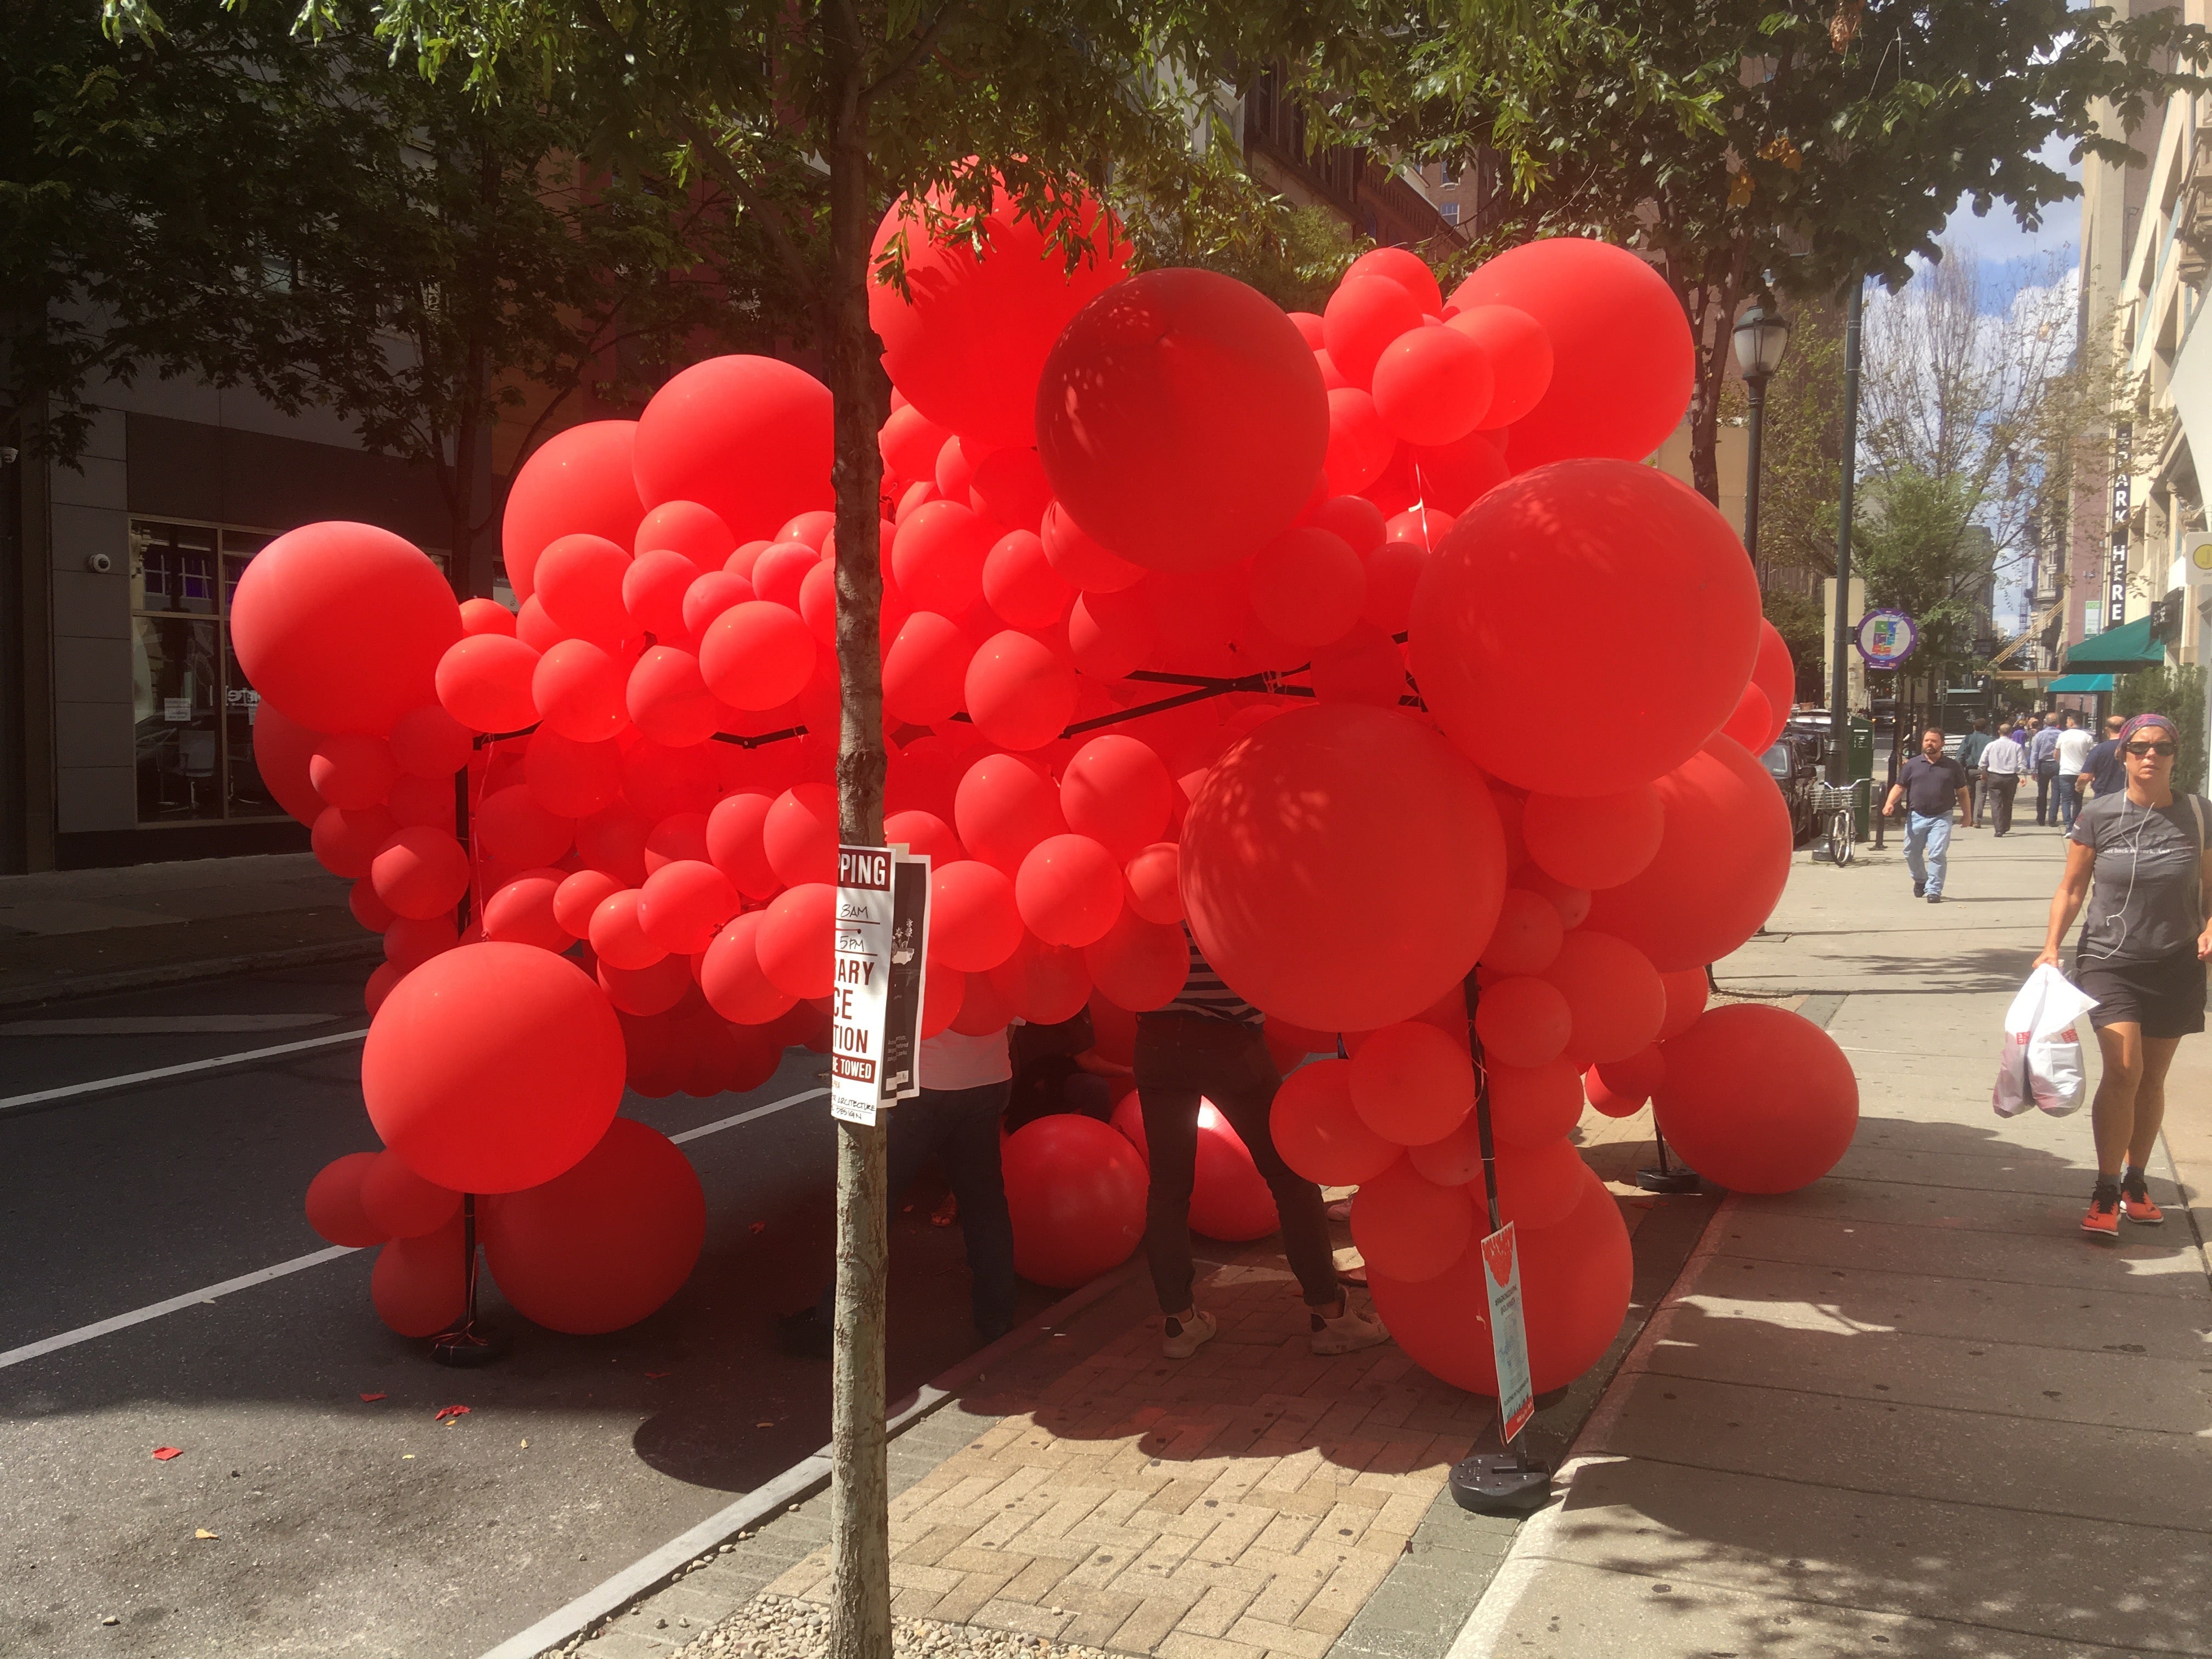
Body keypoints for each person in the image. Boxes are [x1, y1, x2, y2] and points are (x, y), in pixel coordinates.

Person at [1136, 927, 1387, 1359]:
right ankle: (1329, 1315)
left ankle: (1179, 1321)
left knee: (1168, 1187)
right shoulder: (1227, 885)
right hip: (1228, 1042)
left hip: (1156, 1041)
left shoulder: (1147, 885)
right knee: (1290, 1174)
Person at [2034, 713, 2212, 1239]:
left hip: (2177, 962)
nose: (2149, 756)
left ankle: (2137, 1182)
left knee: (2153, 1078)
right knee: (2125, 1068)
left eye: (2161, 747)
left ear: (2176, 755)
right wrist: (2049, 948)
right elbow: (2071, 888)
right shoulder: (2098, 814)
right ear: (2123, 754)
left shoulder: (2200, 815)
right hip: (2109, 959)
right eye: (2139, 747)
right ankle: (2107, 1187)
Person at [779, 1024, 1019, 1356]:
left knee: (874, 1200)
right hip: (988, 1079)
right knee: (985, 1205)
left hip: (921, 1084)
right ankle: (998, 1320)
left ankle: (834, 1322)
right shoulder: (1003, 968)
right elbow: (1011, 1025)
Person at [1882, 726, 1973, 901]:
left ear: (1942, 744)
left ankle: (1934, 890)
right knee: (1911, 853)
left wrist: (1967, 815)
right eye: (1927, 740)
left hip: (1942, 816)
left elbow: (1962, 792)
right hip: (1916, 816)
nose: (1929, 744)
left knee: (1937, 853)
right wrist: (1889, 804)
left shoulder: (1952, 767)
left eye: (1934, 741)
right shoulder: (1913, 765)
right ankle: (1920, 879)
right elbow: (1900, 786)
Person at [1980, 720, 2027, 836]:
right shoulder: (2016, 746)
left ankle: (1998, 829)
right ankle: (2006, 825)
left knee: (1995, 803)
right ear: (2011, 733)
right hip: (2010, 778)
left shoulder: (1991, 745)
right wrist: (2022, 775)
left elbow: (1982, 762)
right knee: (2008, 802)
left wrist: (1984, 772)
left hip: (1994, 777)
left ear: (1999, 732)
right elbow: (2022, 764)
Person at [2053, 710, 2094, 831]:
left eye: (2067, 721)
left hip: (2065, 771)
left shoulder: (2063, 736)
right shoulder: (2087, 737)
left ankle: (2068, 825)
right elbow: (2091, 756)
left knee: (2066, 800)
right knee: (2078, 800)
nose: (2066, 724)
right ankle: (2076, 823)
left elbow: (2056, 754)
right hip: (2080, 772)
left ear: (2071, 722)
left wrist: (2062, 763)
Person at [2083, 713, 2129, 801]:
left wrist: (2079, 786)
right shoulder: (2133, 748)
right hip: (2128, 796)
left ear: (2107, 730)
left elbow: (2086, 776)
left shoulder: (2099, 749)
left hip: (2104, 796)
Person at [2030, 712, 2063, 825]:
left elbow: (2034, 753)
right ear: (2058, 723)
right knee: (2056, 792)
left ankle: (2041, 818)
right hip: (2057, 764)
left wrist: (2033, 770)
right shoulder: (2061, 735)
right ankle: (2052, 818)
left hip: (2043, 765)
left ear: (2045, 722)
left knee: (2042, 792)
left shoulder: (2039, 735)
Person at [1958, 717, 1993, 825]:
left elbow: (1959, 757)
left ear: (1974, 727)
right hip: (1983, 771)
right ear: (1986, 728)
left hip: (1969, 771)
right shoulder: (1990, 741)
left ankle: (1969, 818)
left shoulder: (1968, 739)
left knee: (1968, 795)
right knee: (1980, 795)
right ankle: (1977, 820)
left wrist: (1961, 772)